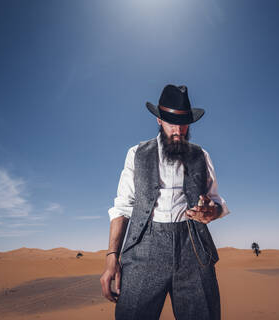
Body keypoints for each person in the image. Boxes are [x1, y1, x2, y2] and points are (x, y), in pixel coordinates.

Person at [100, 84, 230, 320]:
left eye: (183, 123)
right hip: (144, 248)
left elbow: (217, 203)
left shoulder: (202, 155)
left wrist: (212, 212)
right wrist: (112, 257)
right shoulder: (136, 154)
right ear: (159, 121)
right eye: (172, 122)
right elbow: (122, 207)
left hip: (194, 249)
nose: (178, 130)